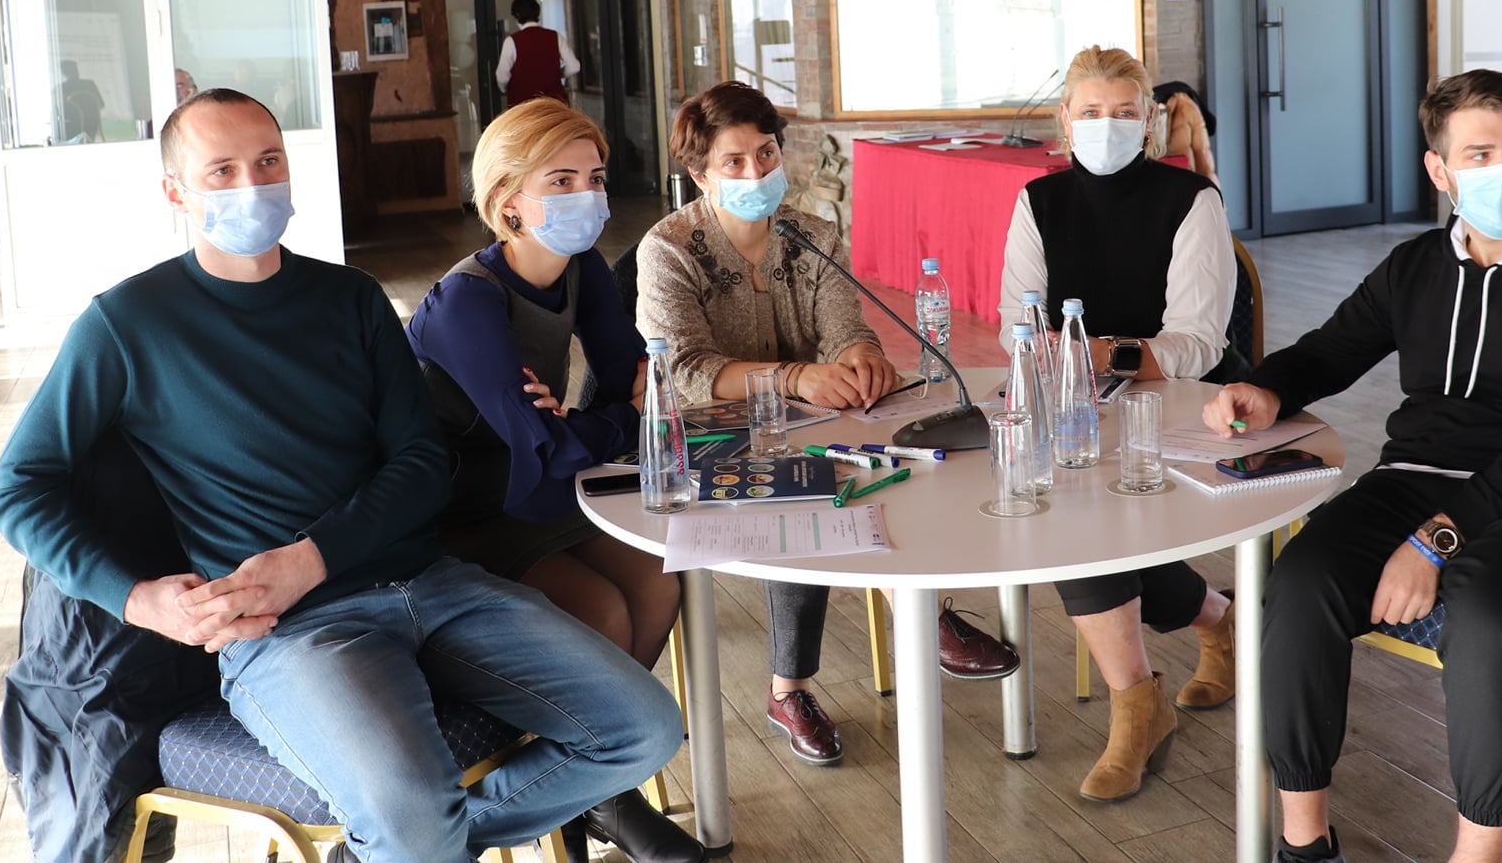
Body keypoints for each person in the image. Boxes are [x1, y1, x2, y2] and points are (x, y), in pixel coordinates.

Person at [0, 88, 685, 863]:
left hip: (434, 585)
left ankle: (394, 848)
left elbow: (423, 464)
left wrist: (312, 556)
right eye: (222, 170)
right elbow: (17, 487)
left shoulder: (351, 298)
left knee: (645, 729)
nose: (252, 184)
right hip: (288, 631)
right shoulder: (125, 323)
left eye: (268, 161)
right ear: (176, 192)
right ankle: (402, 844)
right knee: (412, 821)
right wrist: (136, 597)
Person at [1202, 69, 1502, 863]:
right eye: (1480, 153)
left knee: (1487, 619)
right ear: (1439, 170)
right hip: (1411, 480)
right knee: (1298, 582)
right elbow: (1333, 349)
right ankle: (1306, 844)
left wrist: (1435, 540)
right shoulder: (1416, 265)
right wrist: (1267, 388)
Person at [637, 81, 1019, 767]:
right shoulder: (668, 248)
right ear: (699, 174)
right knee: (801, 488)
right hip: (707, 437)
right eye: (734, 162)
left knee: (898, 453)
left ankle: (922, 610)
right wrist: (793, 377)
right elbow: (687, 371)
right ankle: (789, 690)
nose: (756, 172)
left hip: (813, 418)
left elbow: (847, 327)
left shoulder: (811, 235)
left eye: (766, 153)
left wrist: (861, 359)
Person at [407, 98, 697, 863]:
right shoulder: (467, 300)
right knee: (602, 608)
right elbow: (560, 441)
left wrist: (587, 423)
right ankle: (595, 788)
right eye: (560, 179)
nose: (586, 195)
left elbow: (634, 395)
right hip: (457, 514)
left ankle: (598, 783)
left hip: (538, 492)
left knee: (658, 579)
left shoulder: (584, 270)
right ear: (508, 202)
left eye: (594, 177)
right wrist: (600, 421)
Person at [997, 45, 1239, 803]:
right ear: (1065, 120)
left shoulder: (1191, 198)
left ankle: (1137, 706)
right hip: (1074, 404)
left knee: (1076, 520)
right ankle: (1213, 621)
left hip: (1178, 405)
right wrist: (1062, 359)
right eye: (1092, 112)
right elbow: (1014, 324)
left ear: (1150, 120)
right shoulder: (1038, 200)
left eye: (1125, 112)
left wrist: (1102, 353)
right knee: (1058, 500)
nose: (1108, 125)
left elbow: (1199, 344)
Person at [497, 0, 580, 107]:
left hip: (523, 106)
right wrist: (558, 73)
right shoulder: (555, 37)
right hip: (555, 104)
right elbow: (575, 66)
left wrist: (505, 89)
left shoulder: (511, 41)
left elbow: (502, 76)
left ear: (517, 15)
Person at [57, 59, 104, 142]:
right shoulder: (89, 84)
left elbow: (59, 113)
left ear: (63, 73)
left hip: (70, 130)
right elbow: (101, 104)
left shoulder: (60, 89)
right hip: (91, 126)